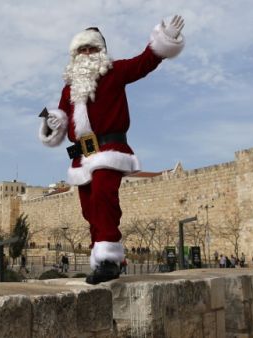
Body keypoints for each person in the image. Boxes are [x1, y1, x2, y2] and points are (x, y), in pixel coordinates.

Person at [39, 16, 185, 284]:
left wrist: (164, 41)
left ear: (100, 51)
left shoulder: (115, 72)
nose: (86, 54)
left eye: (91, 49)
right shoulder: (69, 88)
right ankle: (105, 259)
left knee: (104, 196)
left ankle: (109, 259)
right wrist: (51, 124)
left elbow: (144, 63)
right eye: (82, 50)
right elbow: (59, 121)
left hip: (109, 149)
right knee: (89, 209)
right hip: (82, 156)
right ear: (75, 55)